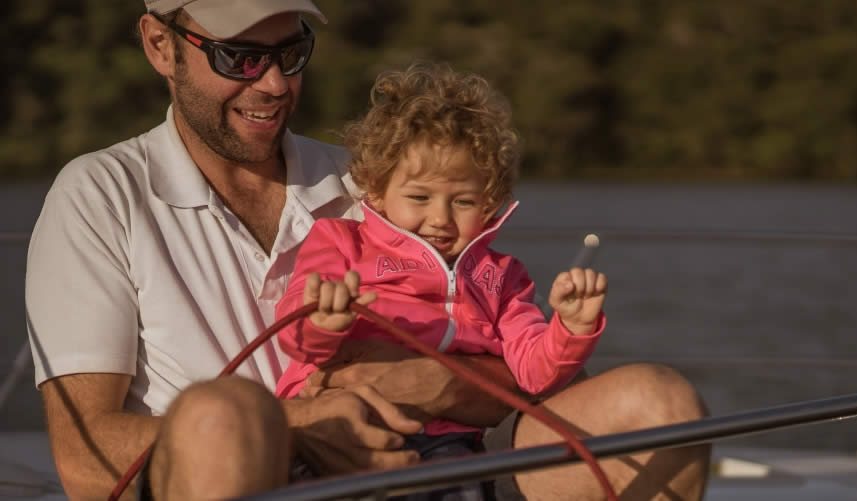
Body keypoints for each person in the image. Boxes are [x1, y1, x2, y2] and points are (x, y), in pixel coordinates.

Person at [23, 1, 711, 500]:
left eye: (291, 53)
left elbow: (504, 344)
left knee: (658, 401)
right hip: (227, 477)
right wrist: (297, 424)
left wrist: (435, 382)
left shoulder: (375, 182)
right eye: (240, 56)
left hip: (427, 460)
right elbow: (85, 462)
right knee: (224, 412)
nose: (272, 84)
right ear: (157, 44)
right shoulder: (100, 193)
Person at [273, 64, 608, 497]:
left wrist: (572, 329)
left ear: (488, 201)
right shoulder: (340, 242)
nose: (440, 219)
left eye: (463, 201)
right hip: (340, 421)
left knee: (460, 485)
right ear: (375, 189)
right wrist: (322, 321)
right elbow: (296, 338)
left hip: (450, 439)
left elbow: (533, 373)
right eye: (419, 197)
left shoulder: (502, 277)